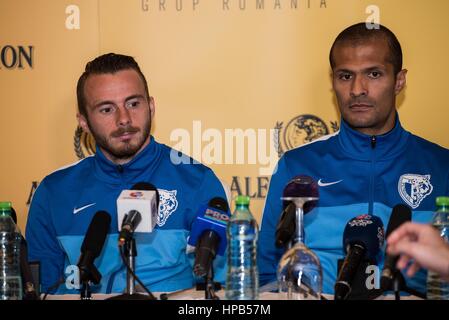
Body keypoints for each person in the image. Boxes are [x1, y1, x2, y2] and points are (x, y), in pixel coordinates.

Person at [258, 22, 449, 295]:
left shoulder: (442, 168)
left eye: (373, 74)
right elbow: (267, 275)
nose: (358, 89)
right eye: (345, 76)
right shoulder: (297, 167)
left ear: (399, 80)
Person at [25, 53, 229, 295]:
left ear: (151, 106)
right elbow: (43, 291)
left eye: (133, 104)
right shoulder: (53, 193)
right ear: (84, 122)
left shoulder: (198, 182)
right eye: (106, 109)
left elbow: (223, 289)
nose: (124, 119)